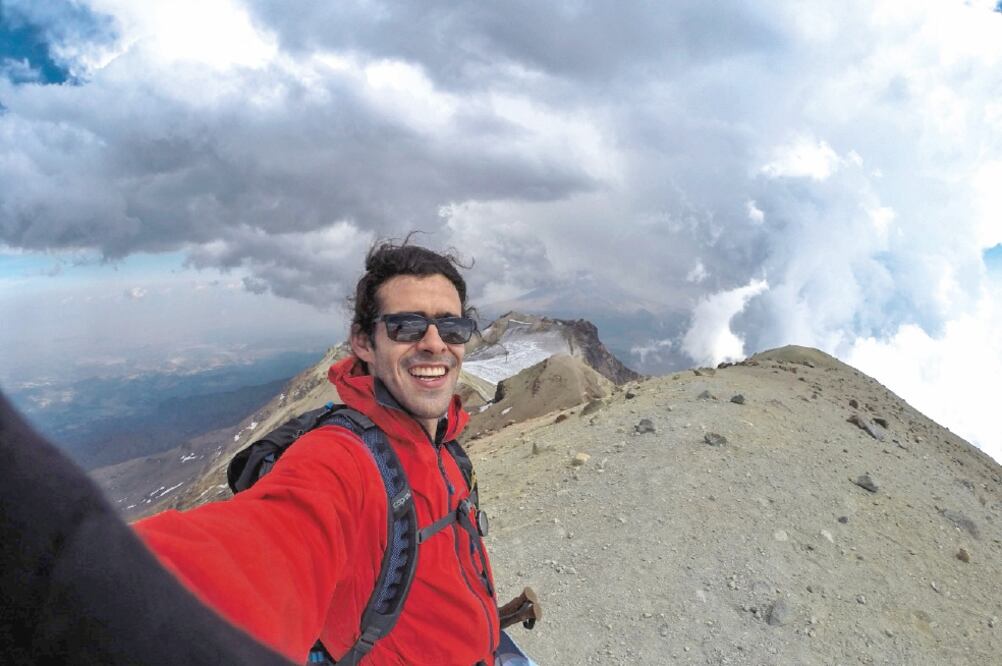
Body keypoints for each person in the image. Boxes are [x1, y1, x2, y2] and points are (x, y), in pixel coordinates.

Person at [134, 240, 504, 665]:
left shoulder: (446, 446)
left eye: (452, 328)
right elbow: (255, 555)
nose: (436, 344)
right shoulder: (342, 459)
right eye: (407, 326)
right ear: (364, 343)